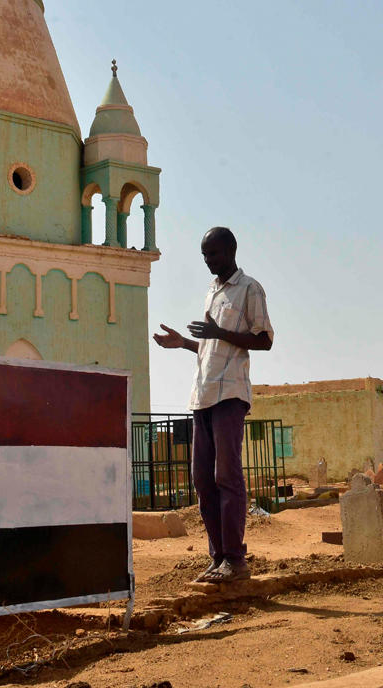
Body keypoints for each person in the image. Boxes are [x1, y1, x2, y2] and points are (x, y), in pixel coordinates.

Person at [153, 227, 274, 582]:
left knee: (227, 476)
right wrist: (184, 343)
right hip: (202, 395)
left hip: (230, 395)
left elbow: (264, 340)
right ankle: (218, 557)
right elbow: (213, 346)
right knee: (203, 480)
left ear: (231, 251)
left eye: (214, 254)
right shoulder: (212, 292)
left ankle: (236, 559)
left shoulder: (249, 288)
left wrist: (218, 333)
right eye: (205, 255)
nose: (208, 261)